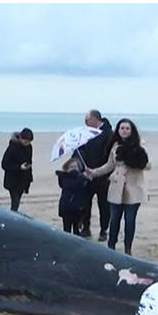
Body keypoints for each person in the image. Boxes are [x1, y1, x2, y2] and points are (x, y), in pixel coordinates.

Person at [85, 118, 150, 255]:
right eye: (122, 128)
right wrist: (93, 172)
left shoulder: (139, 145)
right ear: (118, 130)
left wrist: (134, 159)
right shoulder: (115, 146)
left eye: (127, 128)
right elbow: (109, 166)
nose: (124, 131)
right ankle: (111, 247)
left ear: (132, 131)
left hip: (134, 187)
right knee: (114, 219)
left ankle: (128, 249)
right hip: (116, 186)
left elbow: (147, 165)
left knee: (130, 219)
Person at [74, 109, 113, 240]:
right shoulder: (85, 133)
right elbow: (80, 152)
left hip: (103, 176)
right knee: (84, 203)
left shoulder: (107, 133)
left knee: (104, 205)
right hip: (87, 174)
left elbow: (109, 156)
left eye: (87, 119)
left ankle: (103, 230)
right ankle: (86, 228)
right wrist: (80, 167)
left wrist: (101, 172)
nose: (85, 121)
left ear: (95, 119)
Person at [55, 157, 93, 234]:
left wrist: (89, 180)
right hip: (67, 208)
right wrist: (83, 178)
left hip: (77, 208)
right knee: (67, 230)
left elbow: (88, 191)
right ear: (67, 169)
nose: (74, 169)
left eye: (76, 167)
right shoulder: (65, 177)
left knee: (76, 230)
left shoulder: (81, 177)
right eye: (72, 167)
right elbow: (74, 186)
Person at [0, 128, 34, 211]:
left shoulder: (29, 147)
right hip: (13, 180)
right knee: (15, 202)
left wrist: (29, 177)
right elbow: (4, 164)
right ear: (21, 138)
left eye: (29, 141)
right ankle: (13, 216)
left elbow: (29, 160)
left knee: (17, 201)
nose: (27, 143)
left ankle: (14, 214)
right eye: (26, 141)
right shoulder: (12, 147)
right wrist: (19, 167)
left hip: (23, 179)